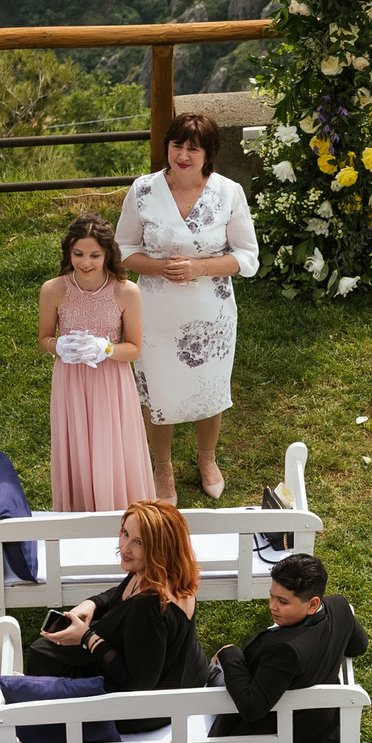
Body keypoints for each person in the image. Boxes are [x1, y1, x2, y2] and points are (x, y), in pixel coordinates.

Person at [119, 112, 258, 500]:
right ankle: (161, 468)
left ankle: (207, 457)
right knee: (157, 393)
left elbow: (248, 257)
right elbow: (124, 249)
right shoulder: (143, 191)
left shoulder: (229, 193)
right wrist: (160, 268)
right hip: (155, 315)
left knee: (209, 388)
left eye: (193, 148)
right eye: (177, 145)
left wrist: (200, 268)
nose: (182, 154)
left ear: (209, 154)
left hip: (210, 315)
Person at [25, 499, 205, 698]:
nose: (125, 548)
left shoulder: (150, 606)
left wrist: (87, 638)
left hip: (150, 704)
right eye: (125, 533)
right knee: (44, 652)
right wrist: (92, 604)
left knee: (42, 656)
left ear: (160, 549)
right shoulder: (159, 572)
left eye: (139, 542)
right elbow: (120, 594)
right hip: (186, 674)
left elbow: (139, 683)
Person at [41, 212, 153, 512]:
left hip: (112, 383)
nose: (85, 262)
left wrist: (105, 349)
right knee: (76, 449)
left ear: (107, 254)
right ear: (69, 252)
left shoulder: (126, 291)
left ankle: (118, 513)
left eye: (94, 255)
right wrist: (58, 346)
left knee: (110, 450)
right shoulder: (53, 289)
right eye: (78, 254)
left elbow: (134, 348)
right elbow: (43, 339)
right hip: (70, 382)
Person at [210, 552, 369, 743]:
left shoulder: (285, 651)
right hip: (323, 722)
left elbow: (251, 708)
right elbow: (359, 646)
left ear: (313, 604)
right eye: (271, 595)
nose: (272, 606)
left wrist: (230, 653)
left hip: (281, 729)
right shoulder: (339, 607)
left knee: (213, 669)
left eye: (283, 602)